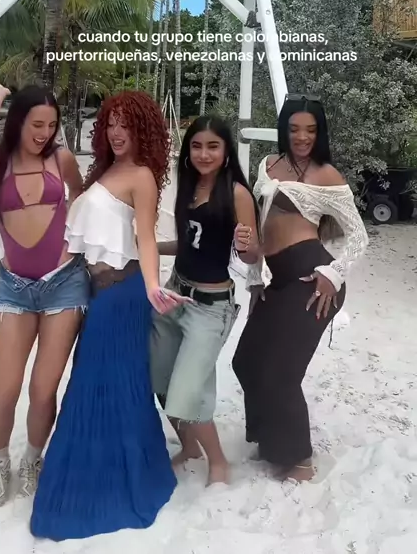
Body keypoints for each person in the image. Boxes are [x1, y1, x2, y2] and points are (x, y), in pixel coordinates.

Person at [30, 91, 190, 542]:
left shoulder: (141, 176)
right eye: (111, 123)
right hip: (94, 293)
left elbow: (146, 238)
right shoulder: (103, 170)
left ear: (143, 129)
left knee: (104, 384)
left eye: (126, 124)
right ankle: (96, 471)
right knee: (97, 382)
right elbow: (76, 237)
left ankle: (111, 480)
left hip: (124, 294)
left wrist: (154, 285)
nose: (117, 132)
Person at [232, 93, 369, 482]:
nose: (302, 137)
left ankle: (300, 462)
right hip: (278, 278)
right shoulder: (268, 164)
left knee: (281, 372)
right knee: (245, 360)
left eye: (310, 130)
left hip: (313, 279)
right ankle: (270, 439)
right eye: (294, 129)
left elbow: (359, 237)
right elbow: (259, 227)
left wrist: (333, 273)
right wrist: (255, 280)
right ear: (284, 129)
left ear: (319, 132)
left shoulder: (327, 175)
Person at [0, 81, 88, 508]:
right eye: (37, 124)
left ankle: (33, 459)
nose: (45, 133)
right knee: (4, 391)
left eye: (51, 125)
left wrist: (74, 243)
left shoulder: (61, 158)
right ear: (18, 121)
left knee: (42, 390)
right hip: (14, 289)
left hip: (64, 284)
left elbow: (81, 196)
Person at [151, 115, 260, 487]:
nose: (204, 154)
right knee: (160, 378)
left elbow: (252, 254)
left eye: (213, 146)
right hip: (174, 292)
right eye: (197, 146)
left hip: (211, 308)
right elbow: (188, 244)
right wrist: (148, 247)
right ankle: (190, 448)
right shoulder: (190, 185)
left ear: (226, 150)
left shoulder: (237, 193)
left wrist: (247, 246)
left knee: (188, 390)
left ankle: (218, 462)